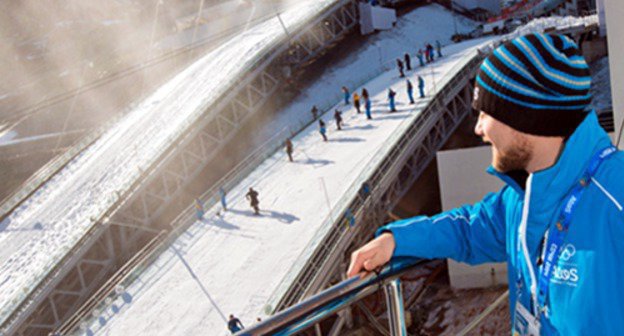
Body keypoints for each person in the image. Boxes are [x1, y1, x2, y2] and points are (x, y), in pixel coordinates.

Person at [346, 33, 624, 335]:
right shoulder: (522, 197)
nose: (478, 128)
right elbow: (468, 229)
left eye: (485, 113)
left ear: (527, 117)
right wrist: (396, 239)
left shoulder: (616, 199)